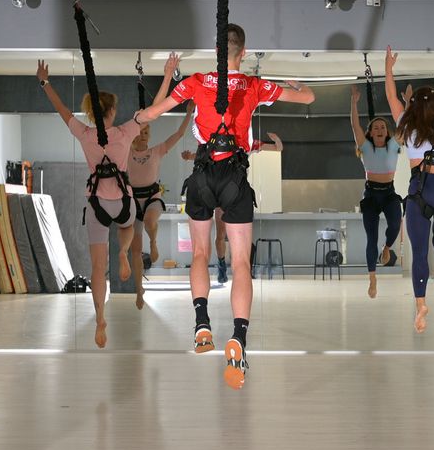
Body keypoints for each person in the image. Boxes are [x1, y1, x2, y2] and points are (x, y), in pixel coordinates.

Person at [136, 24, 314, 389]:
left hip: (201, 177)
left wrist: (139, 118)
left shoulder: (196, 82)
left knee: (199, 253)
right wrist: (295, 86)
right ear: (243, 54)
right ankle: (239, 337)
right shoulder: (253, 86)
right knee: (240, 261)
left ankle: (202, 322)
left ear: (214, 51)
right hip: (235, 180)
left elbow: (153, 114)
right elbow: (308, 98)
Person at [36, 59, 145, 348]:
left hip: (96, 203)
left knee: (98, 268)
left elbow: (60, 110)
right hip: (122, 200)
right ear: (111, 111)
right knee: (128, 225)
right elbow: (153, 112)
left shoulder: (84, 134)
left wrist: (45, 81)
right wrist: (169, 75)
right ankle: (123, 251)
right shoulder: (124, 133)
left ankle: (99, 318)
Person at [384, 46, 434, 333]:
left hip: (419, 190)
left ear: (413, 107)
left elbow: (391, 98)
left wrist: (389, 68)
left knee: (419, 252)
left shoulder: (408, 128)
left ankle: (421, 306)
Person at [180, 132, 282, 283]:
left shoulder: (246, 141)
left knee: (232, 241)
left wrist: (277, 140)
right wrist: (190, 157)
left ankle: (235, 266)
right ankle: (222, 263)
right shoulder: (215, 142)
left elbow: (278, 148)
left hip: (233, 192)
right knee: (220, 235)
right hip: (221, 191)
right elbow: (208, 157)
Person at [129, 54, 193, 269]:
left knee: (149, 222)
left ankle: (154, 242)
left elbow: (178, 134)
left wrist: (189, 114)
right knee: (133, 240)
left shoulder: (157, 151)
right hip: (131, 197)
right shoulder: (124, 151)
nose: (144, 134)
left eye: (147, 131)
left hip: (152, 196)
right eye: (141, 131)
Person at [349, 84, 402, 298]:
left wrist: (406, 105)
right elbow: (355, 125)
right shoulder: (366, 147)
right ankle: (372, 278)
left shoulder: (394, 145)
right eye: (376, 128)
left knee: (396, 223)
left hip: (389, 193)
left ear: (387, 132)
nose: (380, 130)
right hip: (371, 194)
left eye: (383, 127)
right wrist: (354, 102)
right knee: (371, 237)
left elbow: (404, 124)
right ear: (371, 133)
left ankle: (388, 247)